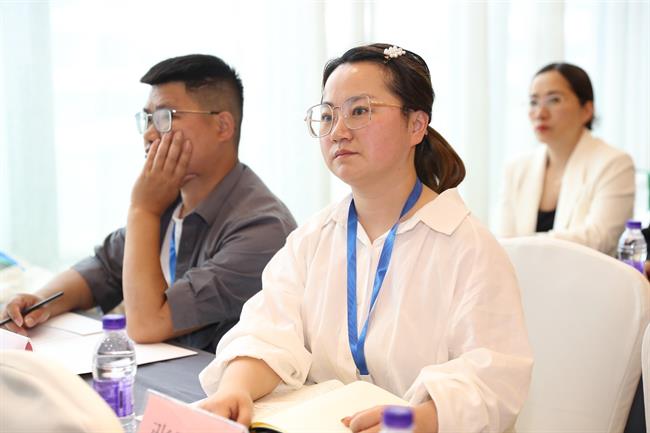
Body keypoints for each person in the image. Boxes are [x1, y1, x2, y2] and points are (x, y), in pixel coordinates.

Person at [198, 43, 532, 433]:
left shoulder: (467, 247)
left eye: (359, 111)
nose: (338, 132)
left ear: (416, 125)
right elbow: (268, 331)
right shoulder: (312, 240)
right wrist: (235, 390)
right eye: (328, 116)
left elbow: (493, 379)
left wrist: (417, 420)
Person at [0, 54, 296, 352]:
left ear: (222, 126)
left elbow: (147, 324)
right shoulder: (171, 200)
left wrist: (143, 210)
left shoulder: (263, 229)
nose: (149, 134)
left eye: (166, 117)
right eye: (148, 119)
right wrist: (41, 300)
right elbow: (104, 268)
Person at [498, 62, 635, 256]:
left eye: (554, 100)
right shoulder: (516, 167)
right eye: (534, 102)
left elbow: (599, 239)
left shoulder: (615, 163)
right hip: (522, 274)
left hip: (586, 274)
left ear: (587, 110)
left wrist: (524, 244)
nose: (540, 113)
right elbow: (504, 245)